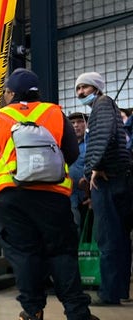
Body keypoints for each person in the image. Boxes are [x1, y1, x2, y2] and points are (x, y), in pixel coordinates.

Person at [0, 69, 97, 320]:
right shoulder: (54, 113)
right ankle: (77, 311)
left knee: (25, 252)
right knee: (61, 252)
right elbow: (71, 153)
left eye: (6, 92)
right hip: (52, 194)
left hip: (10, 193)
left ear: (12, 93)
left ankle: (32, 310)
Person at [75, 72, 133, 305]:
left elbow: (105, 134)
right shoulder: (106, 105)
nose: (80, 93)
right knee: (119, 238)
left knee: (108, 238)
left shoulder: (102, 104)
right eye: (78, 89)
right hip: (120, 179)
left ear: (96, 88)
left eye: (85, 87)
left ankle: (109, 294)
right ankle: (119, 290)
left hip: (108, 183)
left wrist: (95, 167)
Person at [67, 112, 89, 235]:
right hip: (70, 195)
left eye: (80, 122)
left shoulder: (91, 143)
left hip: (89, 196)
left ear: (86, 124)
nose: (76, 125)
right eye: (72, 123)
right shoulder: (63, 144)